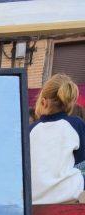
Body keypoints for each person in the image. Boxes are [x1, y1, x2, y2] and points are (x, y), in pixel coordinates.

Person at [30, 74, 85, 204]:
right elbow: (82, 163)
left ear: (43, 102)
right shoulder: (76, 124)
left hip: (33, 200)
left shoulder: (30, 129)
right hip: (68, 197)